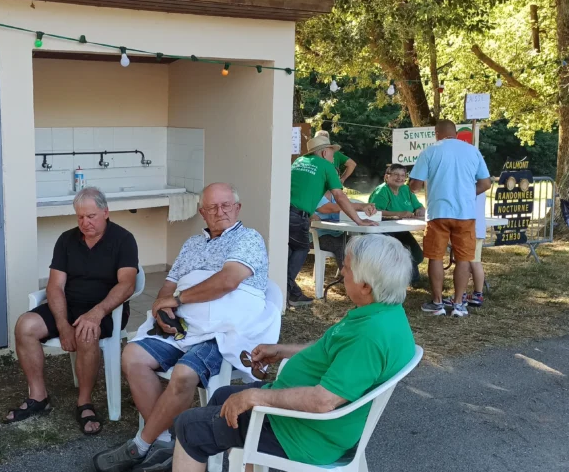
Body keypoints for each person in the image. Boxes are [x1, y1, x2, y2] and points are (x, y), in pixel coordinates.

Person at [170, 235, 416, 471]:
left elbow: (323, 401)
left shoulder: (369, 337)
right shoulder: (385, 313)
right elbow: (331, 352)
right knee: (222, 396)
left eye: (347, 268)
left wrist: (256, 397)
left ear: (365, 286)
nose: (341, 272)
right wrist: (282, 351)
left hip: (303, 434)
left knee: (189, 428)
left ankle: (199, 451)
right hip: (310, 422)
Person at [93, 183, 279, 472]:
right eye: (212, 207)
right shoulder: (192, 244)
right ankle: (166, 442)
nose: (220, 212)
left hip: (223, 329)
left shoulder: (249, 238)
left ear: (237, 208)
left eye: (226, 205)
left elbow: (228, 281)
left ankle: (141, 445)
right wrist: (163, 308)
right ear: (202, 213)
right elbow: (169, 285)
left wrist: (178, 299)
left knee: (183, 374)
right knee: (132, 356)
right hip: (186, 325)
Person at [6, 187, 139, 436]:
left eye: (91, 216)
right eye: (80, 217)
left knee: (86, 332)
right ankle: (38, 397)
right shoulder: (67, 240)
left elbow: (127, 284)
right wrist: (62, 323)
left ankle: (84, 403)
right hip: (69, 306)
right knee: (25, 325)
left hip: (107, 310)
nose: (85, 222)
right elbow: (55, 286)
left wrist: (96, 313)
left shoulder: (123, 239)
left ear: (105, 212)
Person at [409, 119, 492, 317]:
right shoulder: (472, 151)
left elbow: (415, 186)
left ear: (436, 133)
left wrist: (412, 185)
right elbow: (486, 183)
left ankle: (437, 302)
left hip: (438, 212)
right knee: (464, 259)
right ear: (456, 133)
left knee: (435, 257)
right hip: (466, 214)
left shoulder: (430, 151)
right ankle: (458, 304)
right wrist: (468, 194)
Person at [289, 133, 376, 307]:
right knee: (301, 248)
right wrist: (359, 221)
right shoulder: (326, 166)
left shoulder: (298, 162)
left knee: (290, 252)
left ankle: (292, 291)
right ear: (323, 153)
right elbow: (339, 196)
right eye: (331, 152)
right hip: (298, 216)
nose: (333, 157)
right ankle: (288, 289)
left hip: (282, 213)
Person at [368, 163, 426, 281]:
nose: (400, 178)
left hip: (401, 229)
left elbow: (419, 206)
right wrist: (398, 213)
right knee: (398, 255)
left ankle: (409, 278)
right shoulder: (382, 191)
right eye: (396, 174)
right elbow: (374, 212)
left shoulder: (406, 189)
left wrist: (420, 210)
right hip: (382, 230)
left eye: (403, 175)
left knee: (417, 255)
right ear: (387, 176)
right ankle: (404, 279)